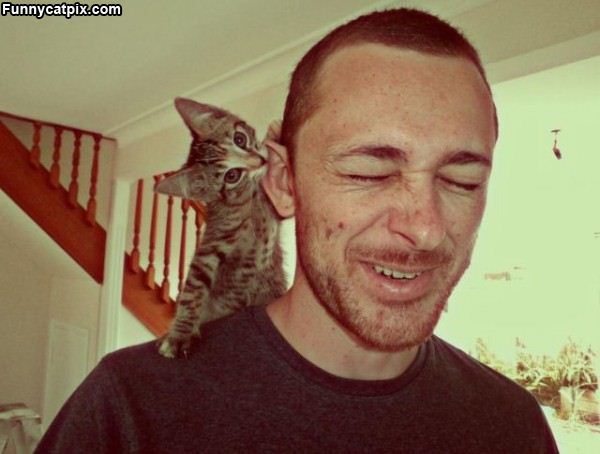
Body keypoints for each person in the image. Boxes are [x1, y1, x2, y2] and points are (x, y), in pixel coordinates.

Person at [37, 8, 559, 453]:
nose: (424, 229)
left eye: (462, 181)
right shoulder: (130, 408)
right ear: (285, 182)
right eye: (368, 173)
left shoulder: (513, 426)